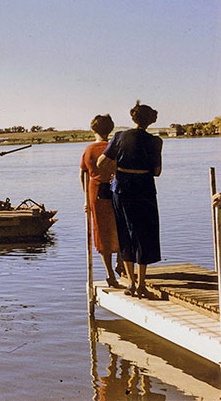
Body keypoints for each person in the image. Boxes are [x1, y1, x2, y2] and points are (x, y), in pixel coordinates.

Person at [98, 101, 163, 299]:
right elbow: (157, 172)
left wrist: (117, 166)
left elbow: (101, 162)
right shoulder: (156, 141)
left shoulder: (119, 136)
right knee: (144, 233)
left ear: (133, 118)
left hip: (122, 189)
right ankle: (142, 283)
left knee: (125, 232)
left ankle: (131, 284)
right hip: (144, 188)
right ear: (150, 120)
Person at [80, 115, 121, 288]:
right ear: (110, 129)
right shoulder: (115, 146)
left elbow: (83, 173)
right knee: (119, 227)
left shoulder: (89, 149)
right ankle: (121, 263)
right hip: (116, 189)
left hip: (95, 191)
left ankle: (109, 272)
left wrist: (85, 198)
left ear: (93, 129)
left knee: (101, 231)